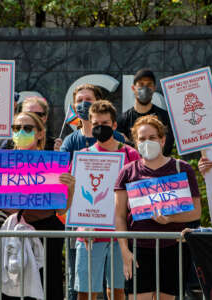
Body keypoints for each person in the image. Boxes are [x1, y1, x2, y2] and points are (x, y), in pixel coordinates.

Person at [0, 111, 75, 300]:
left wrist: (70, 187)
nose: (20, 132)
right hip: (11, 236)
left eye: (27, 128)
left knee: (47, 289)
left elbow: (61, 209)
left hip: (45, 237)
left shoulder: (52, 164)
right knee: (11, 292)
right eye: (16, 128)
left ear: (40, 133)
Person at [114, 115, 201, 300]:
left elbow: (195, 211)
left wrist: (170, 218)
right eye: (142, 138)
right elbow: (119, 216)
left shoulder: (182, 168)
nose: (147, 142)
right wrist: (124, 251)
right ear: (135, 142)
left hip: (173, 248)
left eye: (152, 138)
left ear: (162, 140)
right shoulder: (127, 171)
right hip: (139, 248)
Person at [59, 83, 125, 300]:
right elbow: (64, 181)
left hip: (116, 230)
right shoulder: (74, 144)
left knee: (115, 289)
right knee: (82, 288)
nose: (83, 104)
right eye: (79, 100)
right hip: (85, 229)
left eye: (88, 99)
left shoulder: (125, 148)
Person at [75, 101, 140, 300]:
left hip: (120, 235)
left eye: (104, 123)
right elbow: (77, 196)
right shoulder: (83, 156)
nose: (99, 128)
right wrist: (82, 223)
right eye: (95, 124)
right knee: (86, 293)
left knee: (118, 292)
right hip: (89, 236)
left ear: (113, 125)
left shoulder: (130, 154)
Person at [116, 68, 174, 156]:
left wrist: (129, 144)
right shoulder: (123, 120)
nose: (145, 88)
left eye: (149, 84)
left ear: (154, 88)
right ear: (133, 88)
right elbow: (120, 151)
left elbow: (166, 149)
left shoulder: (164, 117)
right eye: (141, 84)